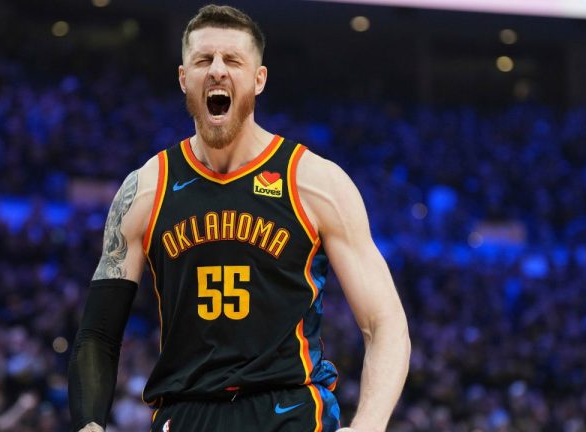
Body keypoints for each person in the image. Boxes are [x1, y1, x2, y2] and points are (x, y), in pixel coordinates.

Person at [68, 4, 410, 432]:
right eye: (203, 60)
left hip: (289, 410)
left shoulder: (314, 181)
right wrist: (89, 425)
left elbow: (386, 324)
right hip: (186, 411)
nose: (217, 71)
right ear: (183, 78)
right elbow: (98, 334)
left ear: (258, 79)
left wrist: (369, 426)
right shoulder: (144, 189)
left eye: (232, 60)